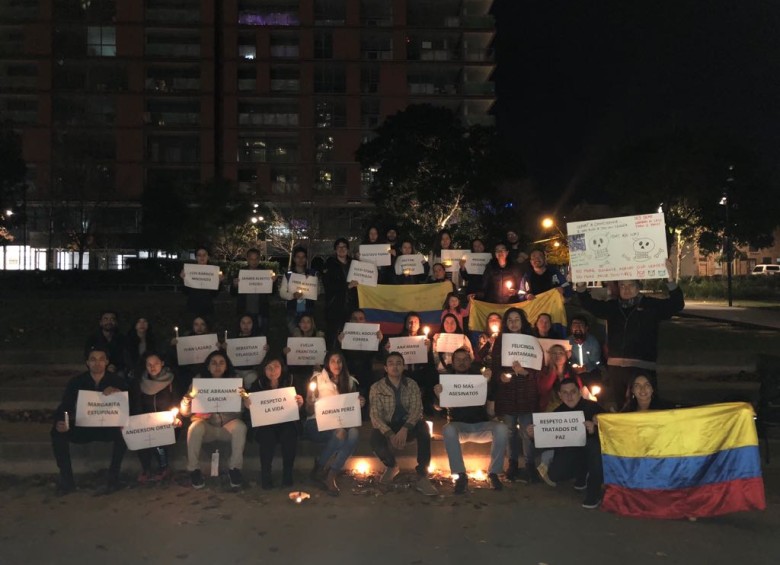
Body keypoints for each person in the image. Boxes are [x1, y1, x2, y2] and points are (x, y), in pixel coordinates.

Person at [574, 258, 684, 407]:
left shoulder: (650, 305)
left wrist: (670, 280)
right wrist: (581, 286)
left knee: (646, 405)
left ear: (638, 287)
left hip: (643, 367)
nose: (626, 289)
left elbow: (676, 305)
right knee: (623, 408)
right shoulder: (613, 306)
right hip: (616, 368)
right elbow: (589, 304)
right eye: (622, 285)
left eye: (630, 285)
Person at [51, 348, 128, 495]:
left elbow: (128, 408)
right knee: (57, 432)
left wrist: (119, 395)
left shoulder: (117, 381)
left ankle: (113, 479)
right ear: (87, 363)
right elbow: (65, 405)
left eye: (101, 359)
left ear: (106, 362)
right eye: (93, 359)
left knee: (125, 432)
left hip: (108, 428)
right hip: (84, 427)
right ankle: (67, 480)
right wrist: (61, 421)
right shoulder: (77, 382)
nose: (97, 363)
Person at [434, 348, 506, 493]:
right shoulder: (446, 382)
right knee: (448, 429)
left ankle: (493, 473)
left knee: (502, 428)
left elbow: (492, 404)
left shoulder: (480, 379)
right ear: (452, 363)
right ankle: (460, 475)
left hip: (481, 425)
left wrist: (489, 382)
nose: (461, 362)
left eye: (465, 359)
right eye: (458, 360)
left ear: (470, 361)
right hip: (459, 427)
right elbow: (437, 408)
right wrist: (438, 395)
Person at [529, 378, 606, 509]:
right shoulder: (556, 414)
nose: (569, 396)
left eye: (573, 392)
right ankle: (581, 475)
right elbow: (548, 441)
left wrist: (596, 428)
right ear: (559, 395)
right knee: (555, 475)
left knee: (592, 445)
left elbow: (611, 431)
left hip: (595, 456)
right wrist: (534, 436)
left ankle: (594, 490)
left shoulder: (594, 407)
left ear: (580, 392)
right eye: (565, 392)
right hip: (571, 454)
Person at [369, 352, 438, 496]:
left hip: (407, 425)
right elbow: (375, 415)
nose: (395, 366)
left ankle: (422, 475)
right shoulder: (377, 387)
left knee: (423, 428)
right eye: (391, 363)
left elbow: (417, 409)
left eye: (399, 363)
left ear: (404, 366)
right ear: (386, 368)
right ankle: (391, 466)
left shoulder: (412, 385)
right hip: (389, 425)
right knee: (374, 436)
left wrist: (405, 429)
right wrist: (390, 433)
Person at [180, 350, 247, 490]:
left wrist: (243, 398)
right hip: (207, 427)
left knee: (240, 427)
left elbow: (241, 410)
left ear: (226, 366)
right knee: (194, 427)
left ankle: (234, 469)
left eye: (221, 363)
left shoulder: (235, 384)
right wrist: (187, 400)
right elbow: (185, 413)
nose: (217, 366)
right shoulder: (197, 385)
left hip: (227, 426)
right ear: (208, 366)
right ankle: (194, 470)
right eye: (213, 363)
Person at [304, 351, 365, 496]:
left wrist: (360, 403)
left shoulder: (350, 382)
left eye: (339, 361)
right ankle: (320, 467)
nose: (336, 365)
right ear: (327, 363)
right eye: (333, 361)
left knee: (354, 433)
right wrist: (310, 402)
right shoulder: (317, 380)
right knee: (340, 434)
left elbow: (351, 410)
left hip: (342, 424)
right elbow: (308, 411)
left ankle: (331, 473)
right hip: (316, 424)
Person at [490, 307, 538, 482]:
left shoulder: (531, 339)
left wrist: (525, 372)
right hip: (508, 392)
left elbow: (539, 367)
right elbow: (495, 366)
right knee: (510, 431)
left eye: (516, 319)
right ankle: (512, 464)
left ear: (522, 321)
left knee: (527, 431)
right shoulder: (500, 341)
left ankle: (530, 465)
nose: (513, 323)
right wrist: (500, 376)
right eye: (509, 320)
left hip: (526, 391)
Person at [244, 356, 304, 489]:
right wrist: (248, 404)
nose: (273, 371)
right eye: (269, 368)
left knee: (289, 434)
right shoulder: (257, 384)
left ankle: (287, 473)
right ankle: (266, 475)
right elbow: (250, 409)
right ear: (263, 369)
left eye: (276, 366)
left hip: (287, 421)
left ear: (282, 367)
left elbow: (300, 408)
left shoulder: (291, 381)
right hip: (266, 424)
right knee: (267, 436)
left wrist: (299, 404)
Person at [130, 351, 180, 483]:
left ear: (162, 364)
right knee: (140, 437)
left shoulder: (171, 381)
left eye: (156, 363)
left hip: (167, 422)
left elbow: (176, 402)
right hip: (147, 421)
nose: (153, 367)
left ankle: (164, 467)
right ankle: (146, 468)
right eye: (149, 364)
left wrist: (177, 417)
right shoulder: (140, 382)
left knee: (160, 441)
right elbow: (137, 404)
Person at [337, 308, 383, 404]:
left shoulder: (373, 336)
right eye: (355, 318)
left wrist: (379, 342)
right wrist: (340, 344)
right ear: (350, 321)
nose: (358, 321)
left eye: (361, 318)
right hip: (348, 378)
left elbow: (379, 357)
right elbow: (337, 358)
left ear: (365, 321)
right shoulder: (343, 336)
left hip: (367, 379)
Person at [322, 238, 357, 348]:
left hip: (352, 305)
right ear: (335, 250)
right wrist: (347, 286)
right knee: (334, 335)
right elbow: (328, 285)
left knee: (351, 335)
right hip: (335, 306)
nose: (342, 249)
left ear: (348, 249)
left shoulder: (355, 264)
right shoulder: (329, 264)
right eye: (339, 247)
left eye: (344, 247)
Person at [232, 247, 274, 334]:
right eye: (251, 259)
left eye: (256, 259)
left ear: (259, 259)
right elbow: (232, 293)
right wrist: (235, 285)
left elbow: (273, 293)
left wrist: (273, 283)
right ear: (247, 259)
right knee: (244, 338)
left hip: (261, 311)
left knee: (261, 337)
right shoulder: (240, 273)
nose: (254, 261)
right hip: (244, 311)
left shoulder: (266, 273)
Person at [278, 246, 318, 334]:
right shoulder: (288, 275)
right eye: (298, 257)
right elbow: (282, 293)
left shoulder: (312, 274)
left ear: (306, 259)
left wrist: (311, 282)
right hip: (293, 310)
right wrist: (292, 295)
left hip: (308, 310)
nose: (301, 259)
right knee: (294, 337)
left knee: (308, 337)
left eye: (303, 257)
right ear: (294, 259)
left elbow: (317, 292)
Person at [284, 313, 326, 396]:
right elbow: (288, 359)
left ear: (312, 324)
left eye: (308, 322)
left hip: (313, 370)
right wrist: (285, 353)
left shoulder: (319, 338)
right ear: (299, 324)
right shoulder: (293, 339)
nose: (305, 324)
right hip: (297, 370)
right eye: (303, 322)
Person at [537, 344, 582, 412]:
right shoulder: (544, 372)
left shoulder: (572, 373)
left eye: (561, 353)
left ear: (566, 356)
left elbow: (579, 392)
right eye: (554, 353)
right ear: (550, 356)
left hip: (571, 409)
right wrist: (553, 371)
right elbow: (543, 390)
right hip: (549, 410)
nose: (558, 356)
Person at [180, 246, 222, 318]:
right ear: (196, 257)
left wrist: (219, 282)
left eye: (204, 255)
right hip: (192, 309)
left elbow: (215, 295)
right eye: (199, 255)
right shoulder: (189, 271)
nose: (202, 257)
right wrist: (183, 279)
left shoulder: (214, 272)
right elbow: (185, 292)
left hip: (207, 309)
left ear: (208, 257)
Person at [230, 313, 269, 389]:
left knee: (252, 377)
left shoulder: (259, 339)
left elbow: (263, 360)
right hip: (235, 371)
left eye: (249, 323)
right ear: (239, 324)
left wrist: (265, 350)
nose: (246, 325)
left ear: (253, 324)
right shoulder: (232, 338)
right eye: (243, 323)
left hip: (252, 371)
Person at [83, 310, 126, 376]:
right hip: (98, 369)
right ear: (101, 322)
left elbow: (125, 357)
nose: (109, 322)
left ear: (116, 322)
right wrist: (105, 367)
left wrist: (115, 366)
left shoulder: (122, 339)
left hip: (117, 370)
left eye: (112, 319)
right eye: (106, 319)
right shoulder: (93, 339)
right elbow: (88, 357)